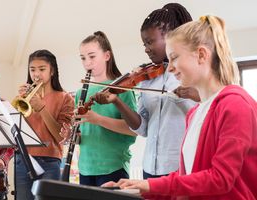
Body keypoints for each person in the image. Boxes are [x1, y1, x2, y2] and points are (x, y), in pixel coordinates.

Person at [104, 15, 257, 199]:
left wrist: (148, 185)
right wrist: (135, 189)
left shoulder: (235, 104)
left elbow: (220, 179)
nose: (169, 68)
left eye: (174, 57)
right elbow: (186, 181)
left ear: (201, 54)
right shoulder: (194, 113)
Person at [95, 3, 198, 179]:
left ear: (171, 37)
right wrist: (117, 101)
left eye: (150, 41)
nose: (146, 48)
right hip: (150, 168)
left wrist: (192, 94)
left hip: (181, 167)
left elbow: (211, 106)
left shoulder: (192, 70)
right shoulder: (147, 78)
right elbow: (142, 128)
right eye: (144, 43)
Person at [69, 31, 138, 187]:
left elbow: (133, 129)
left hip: (113, 167)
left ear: (107, 56)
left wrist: (98, 119)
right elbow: (83, 136)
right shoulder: (81, 93)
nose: (87, 63)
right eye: (83, 58)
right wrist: (71, 135)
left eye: (92, 56)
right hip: (85, 168)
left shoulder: (122, 88)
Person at [14, 49, 74, 200]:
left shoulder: (65, 98)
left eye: (42, 69)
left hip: (50, 161)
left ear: (52, 71)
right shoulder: (23, 97)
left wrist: (41, 108)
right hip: (23, 160)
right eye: (32, 69)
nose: (36, 74)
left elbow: (61, 136)